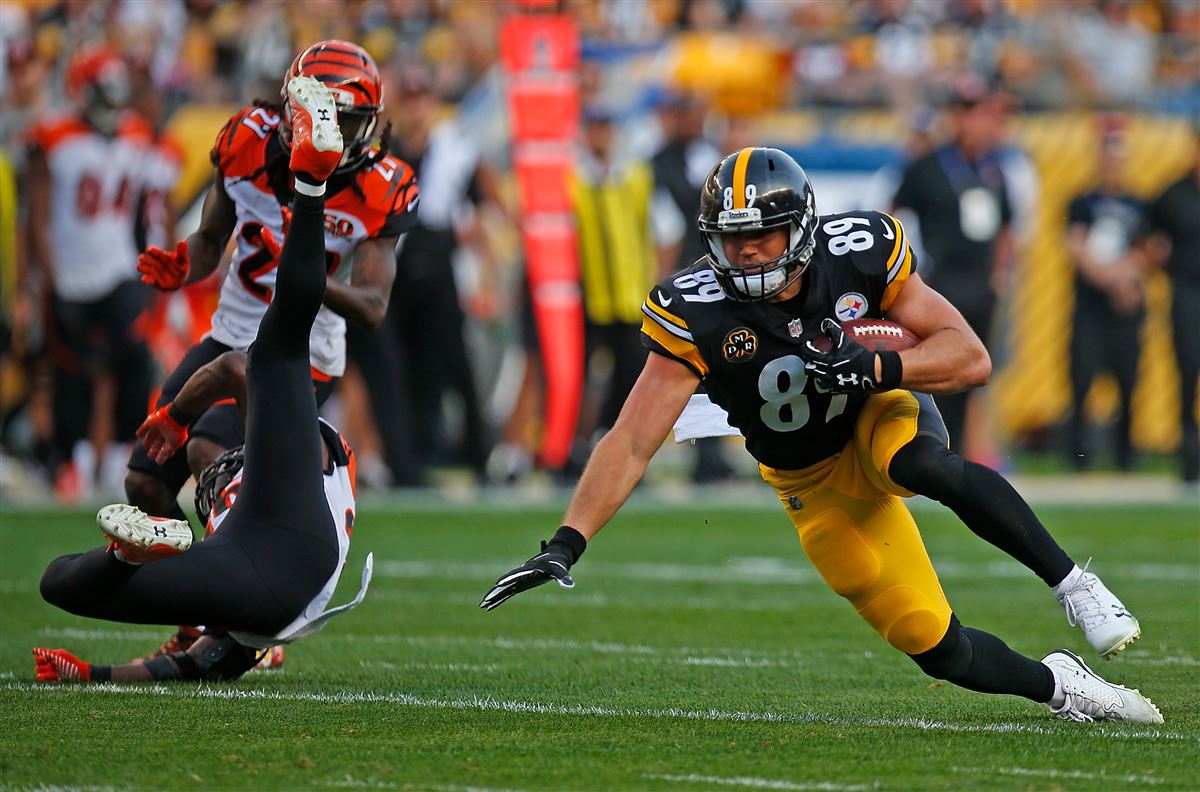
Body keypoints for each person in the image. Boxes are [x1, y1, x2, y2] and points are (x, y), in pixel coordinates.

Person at [481, 147, 1161, 724]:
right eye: (730, 238)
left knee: (916, 463)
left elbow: (969, 355)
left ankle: (1074, 584)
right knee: (931, 642)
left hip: (873, 410)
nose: (745, 252)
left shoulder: (858, 252)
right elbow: (631, 440)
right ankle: (1063, 687)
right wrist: (565, 545)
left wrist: (878, 365)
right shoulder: (694, 310)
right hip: (806, 476)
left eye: (763, 235)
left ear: (802, 228)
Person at [33, 76, 370, 684]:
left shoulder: (230, 618)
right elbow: (238, 363)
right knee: (274, 348)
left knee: (61, 580)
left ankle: (129, 550)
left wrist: (94, 673)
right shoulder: (244, 601)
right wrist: (180, 418)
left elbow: (193, 667)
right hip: (294, 518)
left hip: (259, 562)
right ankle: (312, 183)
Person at [127, 39, 418, 521]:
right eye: (327, 119)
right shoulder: (247, 140)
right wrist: (185, 263)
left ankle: (241, 580)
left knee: (207, 449)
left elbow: (372, 307)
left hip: (302, 353)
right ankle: (185, 586)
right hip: (228, 336)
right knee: (144, 481)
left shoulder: (378, 187)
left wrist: (302, 274)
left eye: (347, 122)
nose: (338, 135)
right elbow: (209, 240)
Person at [25, 44, 155, 502]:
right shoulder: (54, 137)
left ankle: (122, 452)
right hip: (70, 274)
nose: (113, 104)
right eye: (105, 93)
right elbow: (37, 217)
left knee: (135, 359)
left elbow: (138, 213)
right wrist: (46, 278)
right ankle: (71, 460)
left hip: (118, 267)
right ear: (83, 93)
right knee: (72, 372)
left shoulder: (137, 134)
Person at [891, 76, 1012, 459]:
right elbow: (890, 219)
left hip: (980, 286)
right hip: (939, 287)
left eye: (978, 112)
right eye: (965, 112)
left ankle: (965, 453)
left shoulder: (992, 169)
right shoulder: (927, 166)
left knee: (976, 373)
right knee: (938, 373)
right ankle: (932, 451)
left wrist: (1001, 274)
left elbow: (1007, 224)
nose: (972, 122)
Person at [1065, 122, 1147, 471]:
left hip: (1126, 310)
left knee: (1128, 384)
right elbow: (1077, 249)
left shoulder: (1139, 204)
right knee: (1082, 379)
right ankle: (1078, 456)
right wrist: (1116, 282)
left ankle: (1125, 457)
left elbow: (1149, 251)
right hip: (1092, 308)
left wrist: (1127, 281)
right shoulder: (1083, 202)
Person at [1143, 134, 1200, 485]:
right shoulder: (1174, 193)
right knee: (1188, 374)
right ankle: (1190, 460)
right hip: (1188, 293)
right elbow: (1147, 233)